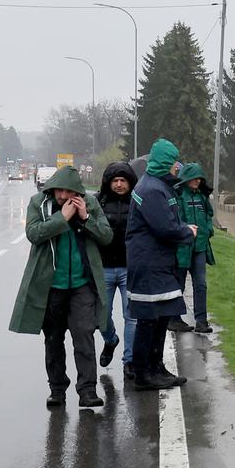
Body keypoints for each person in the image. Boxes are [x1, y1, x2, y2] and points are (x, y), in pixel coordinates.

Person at [8, 164, 113, 409]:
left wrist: (85, 218)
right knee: (53, 340)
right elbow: (34, 233)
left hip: (81, 285)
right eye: (59, 191)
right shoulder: (38, 204)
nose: (63, 196)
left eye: (69, 191)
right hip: (50, 286)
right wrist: (62, 218)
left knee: (84, 336)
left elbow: (106, 236)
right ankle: (57, 390)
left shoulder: (90, 204)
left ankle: (87, 390)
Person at [126, 138, 196, 390]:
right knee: (149, 319)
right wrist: (188, 232)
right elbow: (165, 228)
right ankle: (144, 373)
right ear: (166, 162)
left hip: (158, 262)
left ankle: (156, 366)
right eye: (174, 160)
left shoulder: (157, 185)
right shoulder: (152, 190)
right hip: (149, 264)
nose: (178, 165)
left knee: (162, 316)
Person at [96, 161, 138, 378]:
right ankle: (110, 340)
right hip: (103, 267)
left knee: (131, 316)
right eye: (115, 180)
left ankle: (129, 360)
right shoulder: (98, 202)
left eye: (123, 180)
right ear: (109, 182)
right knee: (101, 316)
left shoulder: (138, 203)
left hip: (129, 268)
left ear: (130, 183)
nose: (120, 184)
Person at [171, 162, 216, 334]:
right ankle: (174, 319)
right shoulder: (177, 196)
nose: (197, 181)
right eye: (194, 178)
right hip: (182, 247)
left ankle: (201, 321)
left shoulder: (202, 197)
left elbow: (209, 215)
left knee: (201, 284)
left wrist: (209, 229)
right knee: (178, 285)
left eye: (200, 178)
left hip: (200, 248)